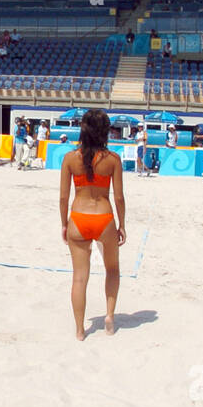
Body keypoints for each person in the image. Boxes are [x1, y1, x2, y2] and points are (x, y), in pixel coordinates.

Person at [59, 109, 126, 341]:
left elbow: (63, 198)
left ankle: (79, 330)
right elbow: (118, 197)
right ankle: (109, 316)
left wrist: (64, 224)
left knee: (79, 277)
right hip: (104, 217)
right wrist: (122, 224)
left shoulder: (70, 158)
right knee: (113, 270)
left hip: (78, 216)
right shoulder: (113, 159)